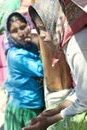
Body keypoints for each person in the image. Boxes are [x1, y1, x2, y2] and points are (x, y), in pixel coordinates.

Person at [22, 0, 87, 130]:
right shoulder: (72, 40)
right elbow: (82, 91)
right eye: (38, 30)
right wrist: (57, 109)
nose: (42, 36)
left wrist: (50, 120)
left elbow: (85, 100)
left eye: (44, 28)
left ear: (57, 22)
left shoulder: (77, 46)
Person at [3, 11, 45, 130]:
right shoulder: (16, 55)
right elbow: (43, 70)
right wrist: (39, 43)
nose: (21, 33)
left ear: (28, 25)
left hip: (35, 104)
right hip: (24, 109)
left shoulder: (29, 46)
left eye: (23, 27)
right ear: (9, 35)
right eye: (14, 31)